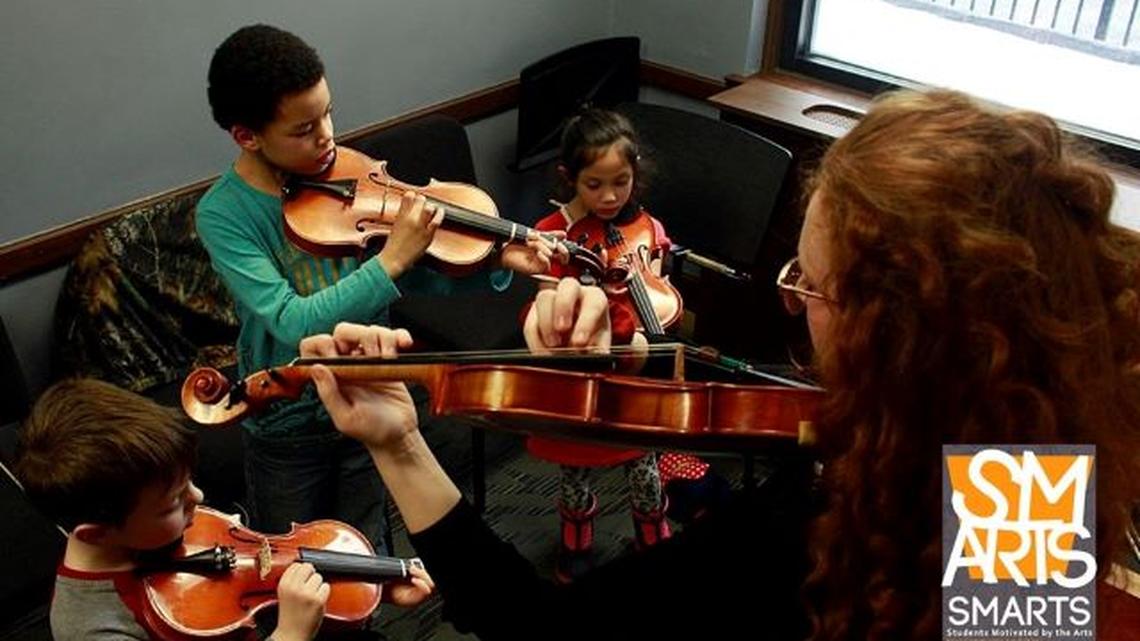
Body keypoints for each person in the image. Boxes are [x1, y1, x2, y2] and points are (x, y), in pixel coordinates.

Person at [301, 88, 1140, 640]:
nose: (795, 303)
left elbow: (536, 631)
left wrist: (400, 446)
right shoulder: (1033, 460)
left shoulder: (803, 534)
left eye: (809, 284)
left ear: (894, 336)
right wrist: (631, 349)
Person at [197, 24, 556, 554]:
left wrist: (495, 260)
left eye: (327, 113)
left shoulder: (346, 173)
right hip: (286, 419)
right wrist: (391, 259)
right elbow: (292, 321)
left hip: (370, 391)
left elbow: (412, 272)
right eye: (302, 129)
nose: (327, 136)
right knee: (291, 559)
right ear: (247, 136)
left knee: (367, 554)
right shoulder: (224, 214)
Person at [11, 378, 434, 641]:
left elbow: (254, 595)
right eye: (173, 503)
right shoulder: (89, 627)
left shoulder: (158, 528)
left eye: (188, 484)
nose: (198, 499)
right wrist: (288, 635)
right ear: (95, 533)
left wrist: (370, 578)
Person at [523, 108, 724, 581]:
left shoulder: (648, 227)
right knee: (576, 464)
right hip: (586, 371)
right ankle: (578, 535)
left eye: (621, 181)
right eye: (594, 185)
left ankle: (651, 528)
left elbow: (658, 281)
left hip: (641, 364)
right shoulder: (553, 233)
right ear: (569, 178)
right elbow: (546, 302)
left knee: (643, 461)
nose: (610, 197)